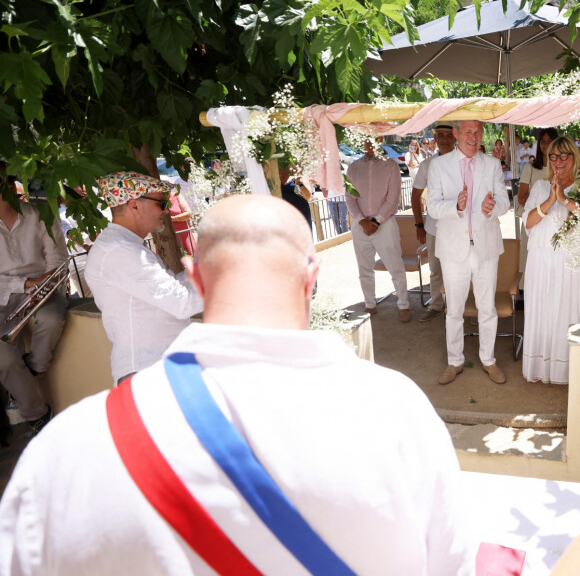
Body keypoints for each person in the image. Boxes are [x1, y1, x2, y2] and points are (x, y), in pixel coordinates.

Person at [0, 194, 473, 575]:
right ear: (312, 277)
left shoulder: (69, 446)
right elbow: (453, 563)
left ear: (196, 280)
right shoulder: (395, 410)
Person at [85, 172, 203, 385]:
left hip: (156, 367)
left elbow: (172, 287)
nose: (166, 210)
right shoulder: (120, 251)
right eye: (161, 203)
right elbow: (183, 303)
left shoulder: (122, 246)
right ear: (134, 206)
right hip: (149, 371)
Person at [427, 121, 510, 385]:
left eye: (478, 132)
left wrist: (492, 207)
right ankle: (455, 361)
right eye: (468, 132)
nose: (474, 137)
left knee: (487, 308)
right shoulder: (438, 166)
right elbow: (432, 207)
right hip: (453, 249)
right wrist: (456, 205)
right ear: (456, 133)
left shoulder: (493, 164)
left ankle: (489, 360)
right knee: (454, 310)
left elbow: (505, 202)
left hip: (485, 247)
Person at [0, 164, 68, 435]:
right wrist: (26, 282)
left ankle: (34, 367)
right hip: (4, 295)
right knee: (2, 359)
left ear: (9, 185)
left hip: (45, 287)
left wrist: (45, 283)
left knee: (51, 319)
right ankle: (37, 415)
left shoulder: (41, 213)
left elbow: (58, 259)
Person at [522, 136, 580, 385]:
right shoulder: (539, 187)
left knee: (566, 312)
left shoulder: (579, 185)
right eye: (553, 156)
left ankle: (568, 371)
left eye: (564, 156)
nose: (558, 161)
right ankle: (540, 367)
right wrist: (550, 200)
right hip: (541, 262)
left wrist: (564, 200)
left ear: (574, 158)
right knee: (543, 312)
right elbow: (528, 222)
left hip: (570, 265)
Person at [346, 138, 411, 322]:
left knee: (395, 266)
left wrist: (376, 221)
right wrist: (361, 221)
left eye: (373, 136)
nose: (368, 140)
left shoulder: (390, 165)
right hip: (360, 225)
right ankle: (369, 303)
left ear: (380, 139)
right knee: (364, 267)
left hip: (385, 224)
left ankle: (403, 304)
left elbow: (393, 197)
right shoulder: (353, 167)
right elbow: (349, 197)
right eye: (365, 136)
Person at [411, 122, 456, 322]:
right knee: (436, 269)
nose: (444, 138)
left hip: (459, 229)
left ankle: (460, 306)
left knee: (460, 268)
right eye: (440, 135)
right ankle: (437, 304)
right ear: (434, 138)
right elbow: (415, 195)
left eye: (448, 135)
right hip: (434, 228)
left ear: (455, 137)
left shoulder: (464, 163)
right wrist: (419, 224)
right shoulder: (427, 165)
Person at [516, 128, 558, 288]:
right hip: (532, 224)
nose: (545, 144)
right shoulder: (531, 167)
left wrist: (533, 197)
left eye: (549, 140)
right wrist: (539, 200)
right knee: (529, 262)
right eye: (542, 141)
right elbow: (521, 197)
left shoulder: (562, 167)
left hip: (555, 224)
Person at [169, 190, 196, 256]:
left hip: (183, 235)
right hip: (167, 238)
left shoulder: (177, 196)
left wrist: (173, 218)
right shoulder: (157, 201)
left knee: (190, 259)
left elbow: (188, 214)